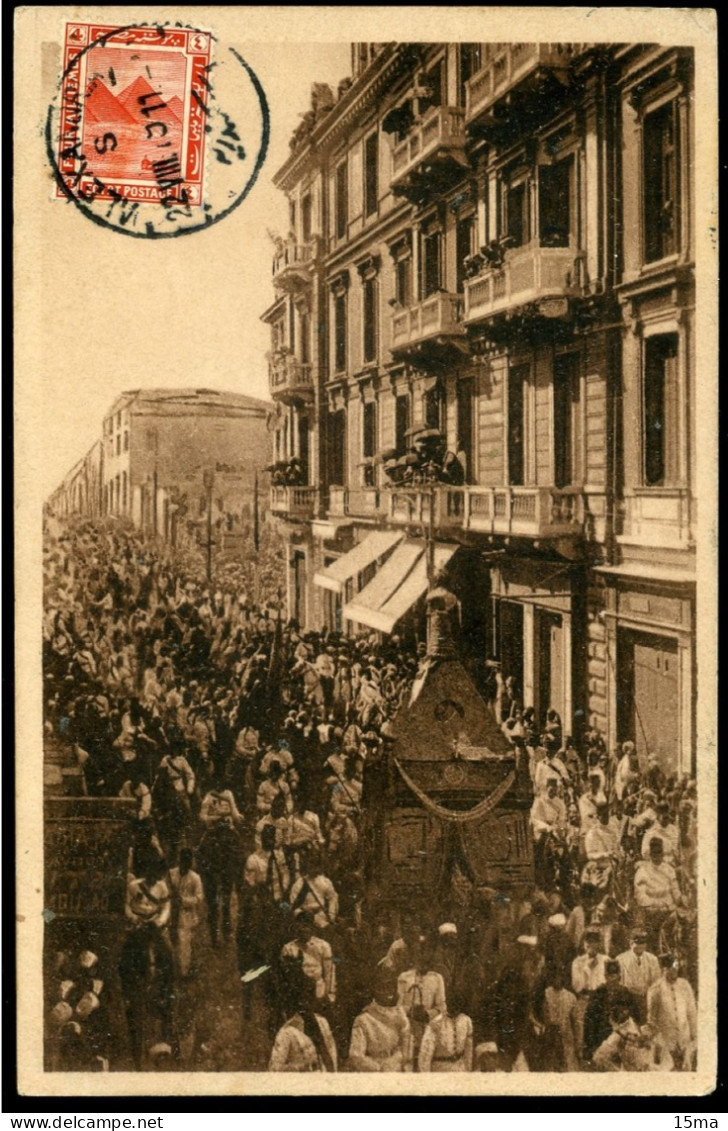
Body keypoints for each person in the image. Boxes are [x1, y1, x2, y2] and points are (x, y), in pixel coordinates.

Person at [269, 968, 338, 1072]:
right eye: (304, 997)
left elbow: (332, 1056)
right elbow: (274, 1070)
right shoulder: (287, 1033)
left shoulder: (322, 1023)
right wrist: (300, 1067)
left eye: (311, 996)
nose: (309, 1002)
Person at [348, 969, 413, 1072]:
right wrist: (378, 1068)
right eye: (382, 988)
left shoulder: (401, 1017)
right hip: (372, 1074)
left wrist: (394, 1062)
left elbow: (405, 1048)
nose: (387, 992)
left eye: (390, 987)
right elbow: (355, 1055)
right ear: (374, 990)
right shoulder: (364, 1019)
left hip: (396, 1071)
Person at [397, 937, 447, 1064]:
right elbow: (397, 1005)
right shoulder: (404, 977)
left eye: (427, 952)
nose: (424, 956)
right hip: (408, 1027)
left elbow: (442, 1007)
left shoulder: (437, 978)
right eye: (420, 952)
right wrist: (410, 1011)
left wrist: (427, 1014)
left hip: (428, 1029)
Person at [582, 959, 641, 1063]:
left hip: (623, 1040)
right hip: (601, 1039)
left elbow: (636, 1018)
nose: (612, 980)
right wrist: (590, 1047)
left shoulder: (626, 993)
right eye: (609, 976)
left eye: (615, 976)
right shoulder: (598, 993)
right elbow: (589, 1021)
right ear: (605, 976)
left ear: (619, 976)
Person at [646, 954, 697, 1070]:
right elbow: (651, 1021)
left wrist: (694, 1041)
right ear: (663, 969)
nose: (674, 970)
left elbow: (692, 1014)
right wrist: (659, 1046)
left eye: (676, 967)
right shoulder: (655, 990)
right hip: (666, 1045)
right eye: (670, 968)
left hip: (685, 1042)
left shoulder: (685, 986)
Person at [633, 837, 682, 953]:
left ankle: (674, 953)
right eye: (654, 852)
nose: (657, 855)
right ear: (650, 853)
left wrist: (680, 899)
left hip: (669, 909)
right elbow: (641, 897)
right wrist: (656, 904)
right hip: (652, 911)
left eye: (659, 852)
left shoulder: (669, 869)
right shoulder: (642, 871)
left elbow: (675, 890)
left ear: (663, 852)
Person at [280, 912, 336, 1006]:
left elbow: (329, 972)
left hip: (318, 989)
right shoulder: (288, 948)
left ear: (312, 928)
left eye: (307, 926)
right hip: (298, 991)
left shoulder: (323, 946)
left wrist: (329, 994)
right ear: (296, 928)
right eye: (300, 927)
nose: (304, 930)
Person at [418, 987, 473, 1073]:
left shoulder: (466, 1021)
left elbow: (468, 1049)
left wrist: (468, 1070)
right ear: (447, 1004)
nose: (455, 1008)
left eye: (457, 1004)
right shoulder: (436, 1024)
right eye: (452, 1004)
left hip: (460, 1069)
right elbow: (425, 1055)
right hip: (440, 1069)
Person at [168, 847, 204, 978]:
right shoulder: (171, 874)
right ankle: (171, 970)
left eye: (188, 861)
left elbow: (199, 898)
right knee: (170, 940)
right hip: (171, 913)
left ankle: (184, 972)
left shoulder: (195, 877)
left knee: (184, 943)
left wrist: (183, 900)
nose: (186, 864)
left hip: (186, 914)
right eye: (183, 861)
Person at [289, 852, 339, 932]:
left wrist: (331, 914)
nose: (314, 869)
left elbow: (332, 898)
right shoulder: (300, 883)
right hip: (304, 916)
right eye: (311, 866)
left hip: (321, 915)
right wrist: (301, 915)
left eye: (316, 866)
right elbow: (294, 905)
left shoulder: (325, 881)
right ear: (307, 867)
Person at [616, 930, 661, 1015]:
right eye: (637, 943)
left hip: (647, 999)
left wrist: (648, 994)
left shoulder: (652, 959)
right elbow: (619, 983)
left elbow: (656, 982)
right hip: (628, 999)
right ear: (631, 943)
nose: (640, 946)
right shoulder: (621, 959)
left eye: (642, 943)